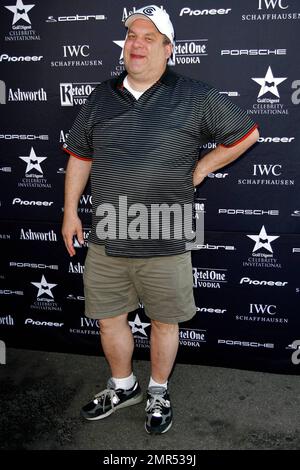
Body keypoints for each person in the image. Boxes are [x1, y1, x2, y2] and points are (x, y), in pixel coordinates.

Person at [62, 5, 259, 435]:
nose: (137, 43)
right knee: (109, 317)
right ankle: (123, 385)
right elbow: (80, 155)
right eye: (132, 35)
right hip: (109, 229)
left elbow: (247, 134)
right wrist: (70, 211)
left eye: (149, 38)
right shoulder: (100, 96)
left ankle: (157, 389)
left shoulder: (194, 94)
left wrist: (203, 168)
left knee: (164, 321)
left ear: (169, 50)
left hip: (167, 230)